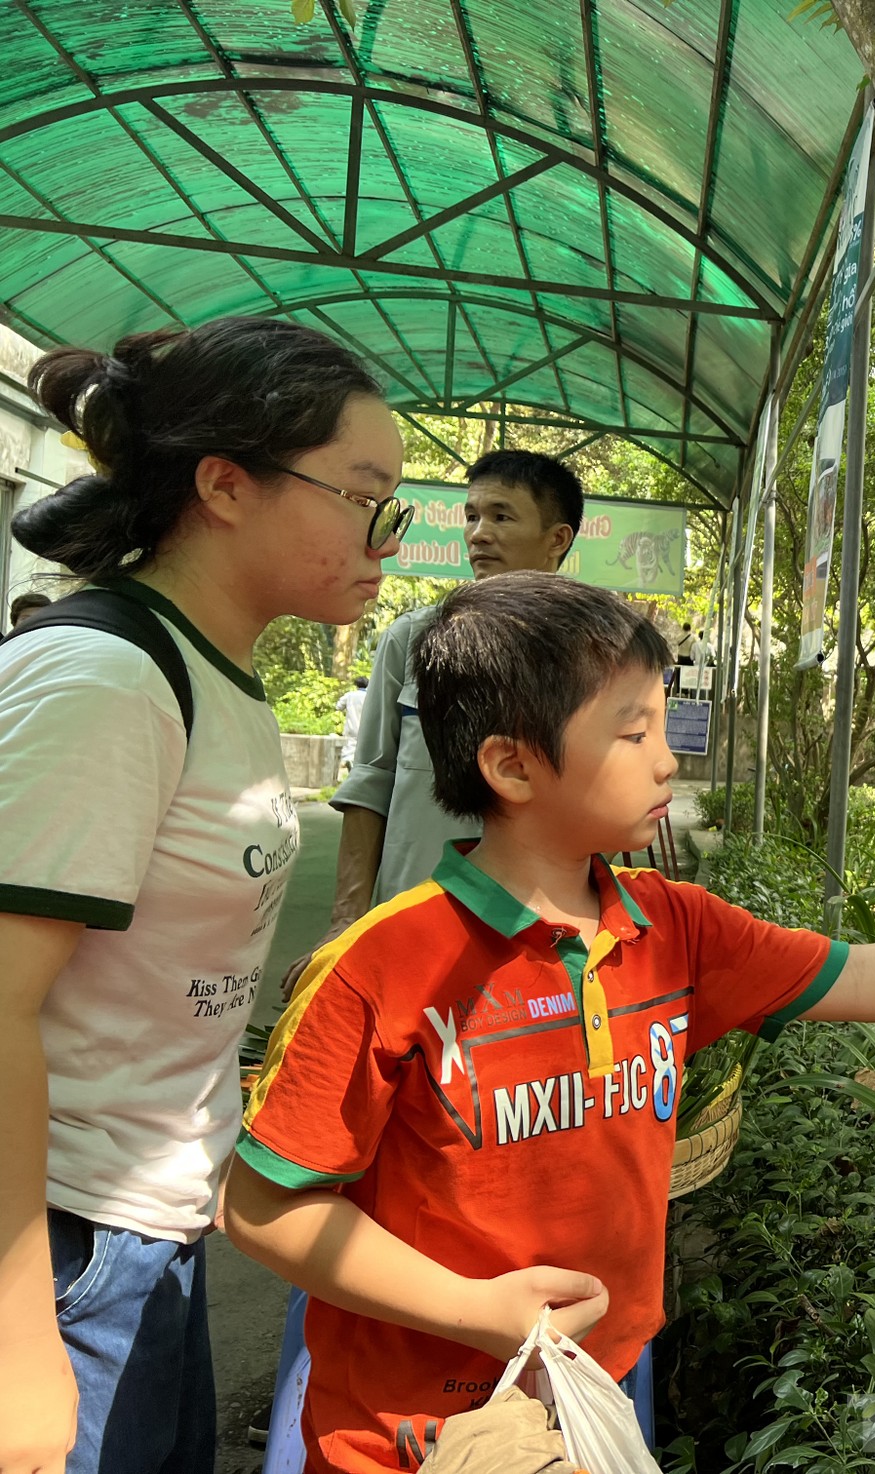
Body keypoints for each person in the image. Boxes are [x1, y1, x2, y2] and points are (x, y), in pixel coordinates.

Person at [223, 573, 875, 1473]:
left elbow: (854, 974)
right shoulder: (382, 969)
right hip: (419, 1431)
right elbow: (263, 1207)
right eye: (630, 730)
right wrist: (479, 1311)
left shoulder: (671, 927)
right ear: (511, 765)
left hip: (602, 1379)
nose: (666, 756)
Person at [0, 317, 407, 1472]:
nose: (390, 531)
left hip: (143, 1231)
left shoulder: (208, 672)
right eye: (365, 494)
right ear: (225, 486)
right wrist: (17, 1333)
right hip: (63, 1252)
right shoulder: (107, 679)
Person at [300, 451, 583, 988]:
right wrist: (346, 923)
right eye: (472, 516)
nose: (479, 533)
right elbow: (371, 784)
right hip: (407, 924)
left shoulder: (593, 659)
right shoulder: (411, 639)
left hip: (532, 941)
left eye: (502, 516)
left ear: (557, 539)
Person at [335, 675, 370, 774]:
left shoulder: (350, 695)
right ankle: (357, 766)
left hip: (351, 726)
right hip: (365, 727)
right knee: (362, 747)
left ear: (356, 685)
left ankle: (348, 762)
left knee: (349, 747)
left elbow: (338, 706)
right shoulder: (369, 696)